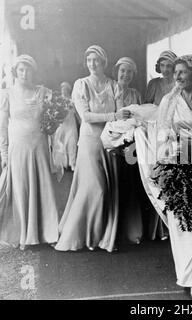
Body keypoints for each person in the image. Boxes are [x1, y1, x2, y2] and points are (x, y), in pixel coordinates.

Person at [135, 55, 192, 299]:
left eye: (183, 72)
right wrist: (172, 152)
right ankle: (189, 277)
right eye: (176, 73)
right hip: (178, 164)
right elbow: (162, 135)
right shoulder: (168, 101)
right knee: (182, 219)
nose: (178, 77)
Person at [55, 45, 131, 252]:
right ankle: (87, 235)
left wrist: (117, 124)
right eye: (89, 60)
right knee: (96, 188)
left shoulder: (114, 85)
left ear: (104, 62)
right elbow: (86, 117)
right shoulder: (81, 85)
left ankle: (104, 236)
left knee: (108, 188)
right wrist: (113, 116)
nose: (92, 64)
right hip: (89, 141)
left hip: (109, 141)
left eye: (96, 60)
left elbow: (122, 112)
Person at [0, 55, 59, 250]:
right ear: (16, 72)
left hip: (39, 146)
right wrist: (4, 154)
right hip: (19, 148)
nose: (25, 74)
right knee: (21, 188)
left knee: (41, 186)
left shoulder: (43, 92)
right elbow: (1, 128)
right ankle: (25, 234)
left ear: (34, 72)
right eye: (21, 70)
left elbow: (52, 124)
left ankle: (46, 233)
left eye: (29, 70)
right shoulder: (7, 94)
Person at [144, 50, 177, 241]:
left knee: (172, 176)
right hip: (156, 134)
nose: (165, 69)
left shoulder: (178, 84)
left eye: (169, 66)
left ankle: (172, 224)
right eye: (162, 65)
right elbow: (146, 107)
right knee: (156, 176)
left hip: (173, 134)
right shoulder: (154, 84)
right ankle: (158, 228)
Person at [113, 57, 144, 244]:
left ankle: (132, 231)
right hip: (112, 144)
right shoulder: (110, 91)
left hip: (131, 146)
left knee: (131, 186)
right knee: (114, 186)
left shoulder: (136, 94)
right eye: (122, 71)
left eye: (129, 72)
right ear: (116, 72)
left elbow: (142, 120)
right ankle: (113, 232)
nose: (125, 75)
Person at [50, 82, 79, 181]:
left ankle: (72, 163)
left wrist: (81, 123)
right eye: (63, 88)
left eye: (66, 88)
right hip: (61, 125)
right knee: (59, 143)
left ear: (69, 90)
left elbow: (77, 114)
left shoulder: (72, 101)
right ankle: (59, 164)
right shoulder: (57, 101)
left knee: (72, 143)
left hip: (71, 125)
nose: (64, 90)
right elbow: (53, 114)